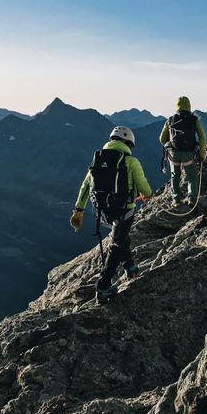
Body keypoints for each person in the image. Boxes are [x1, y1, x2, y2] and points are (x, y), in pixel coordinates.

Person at [70, 126, 152, 302]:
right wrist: (148, 195)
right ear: (129, 143)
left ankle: (130, 267)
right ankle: (104, 286)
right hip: (125, 209)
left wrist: (79, 210)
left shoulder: (98, 160)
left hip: (102, 211)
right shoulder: (131, 161)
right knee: (116, 244)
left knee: (121, 237)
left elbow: (86, 186)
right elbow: (144, 187)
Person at [160, 96, 207, 208]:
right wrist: (202, 154)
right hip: (189, 153)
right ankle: (191, 198)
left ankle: (176, 200)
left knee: (174, 175)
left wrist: (169, 146)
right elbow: (202, 138)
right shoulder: (194, 119)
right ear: (189, 106)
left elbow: (162, 138)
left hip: (174, 154)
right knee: (192, 176)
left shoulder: (170, 120)